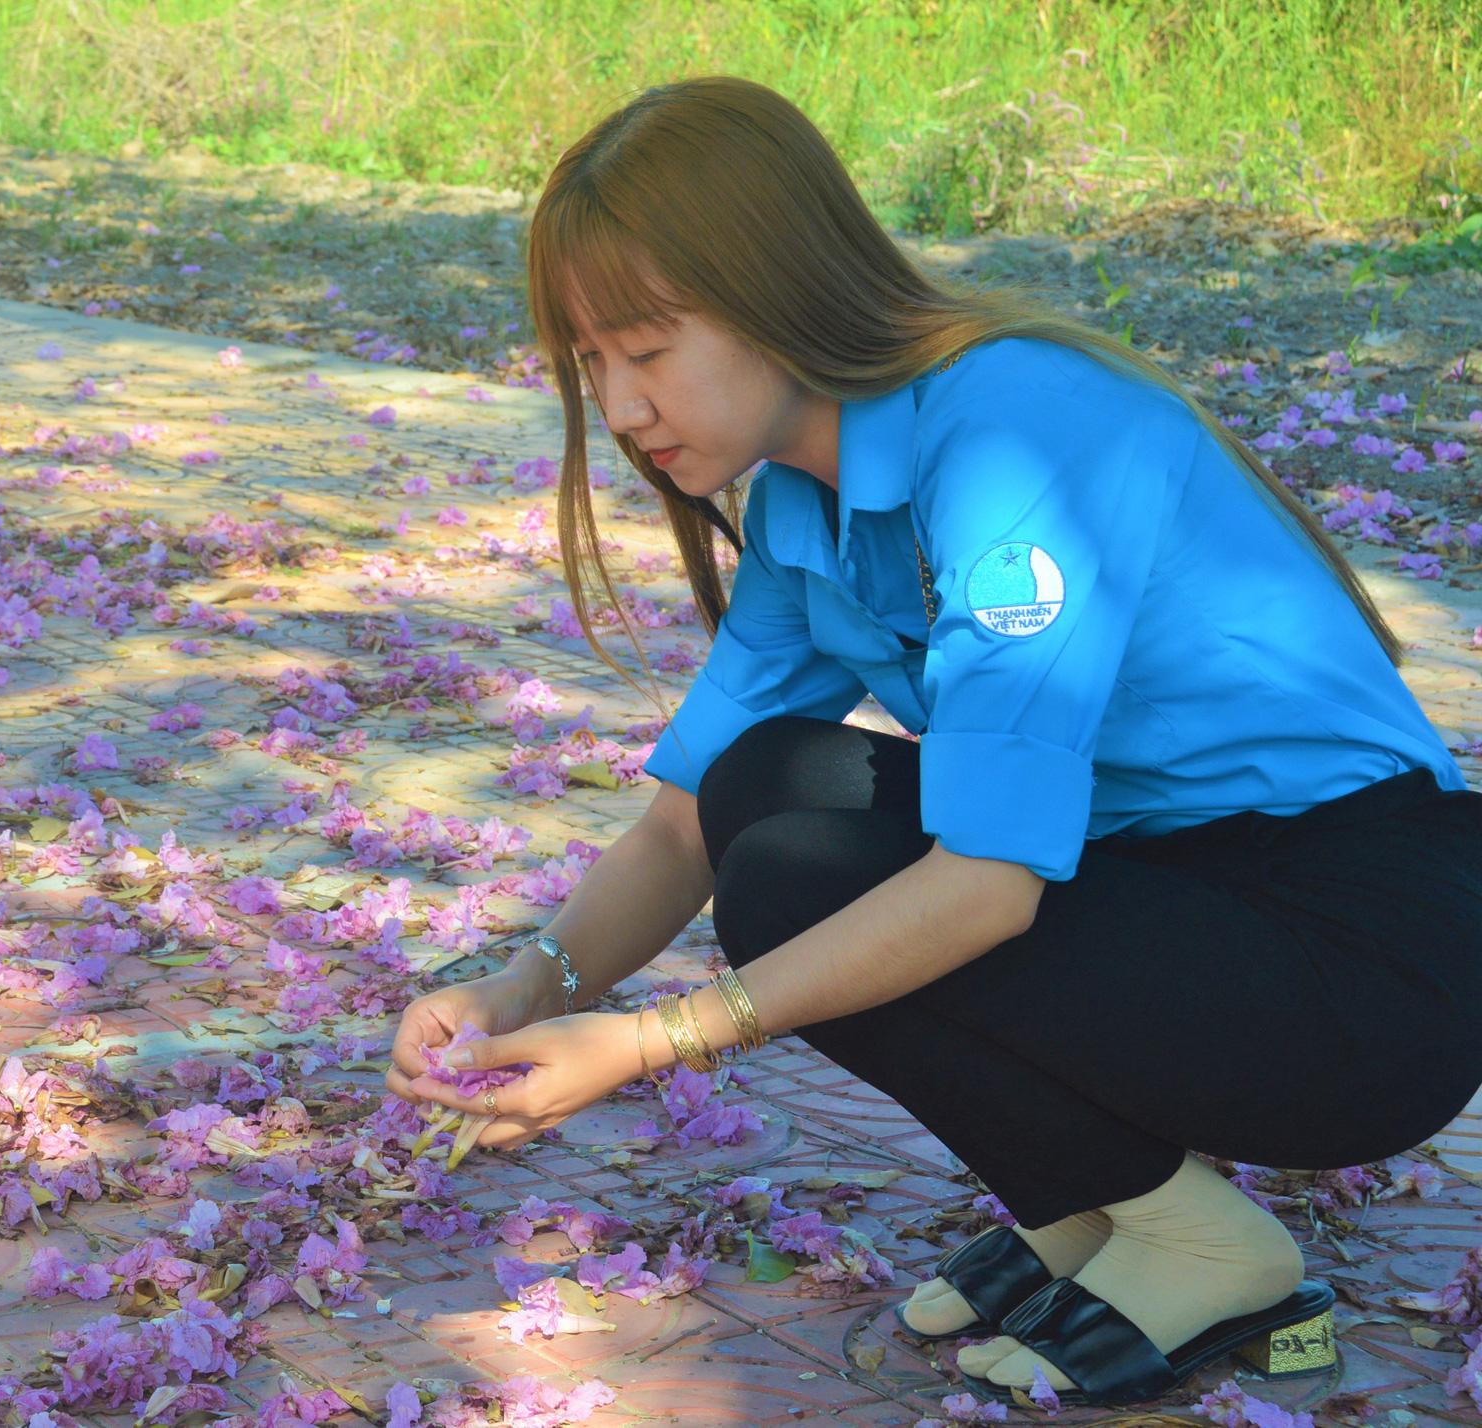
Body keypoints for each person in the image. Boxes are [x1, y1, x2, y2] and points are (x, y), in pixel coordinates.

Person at [381, 76, 1482, 1407]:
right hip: (1184, 901)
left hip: (1362, 975)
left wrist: (653, 1039)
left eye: (648, 347)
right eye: (589, 364)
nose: (618, 406)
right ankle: (1089, 1215)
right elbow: (680, 822)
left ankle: (1205, 1248)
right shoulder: (802, 503)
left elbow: (987, 884)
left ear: (775, 285)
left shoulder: (1017, 436)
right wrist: (528, 989)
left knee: (795, 879)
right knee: (761, 790)